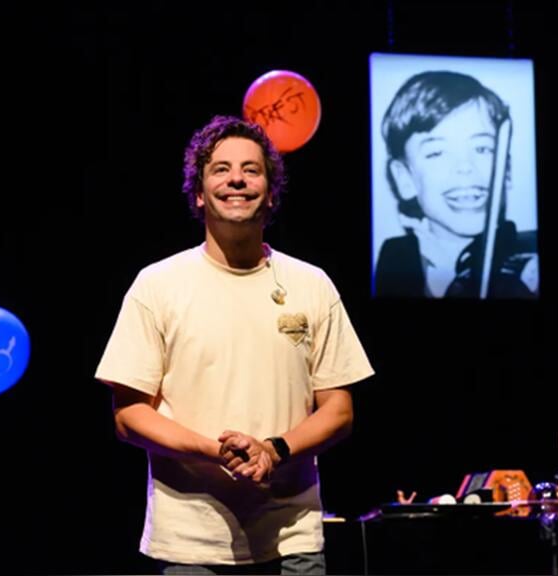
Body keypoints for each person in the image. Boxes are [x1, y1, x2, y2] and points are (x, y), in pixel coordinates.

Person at [95, 115, 374, 575]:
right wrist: (214, 451)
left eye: (251, 168)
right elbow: (129, 415)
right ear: (200, 194)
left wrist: (273, 449)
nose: (237, 179)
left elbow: (339, 410)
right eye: (221, 169)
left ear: (271, 192)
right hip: (189, 542)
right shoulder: (158, 285)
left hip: (293, 539)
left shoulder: (312, 284)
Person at [374, 70, 539, 299]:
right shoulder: (395, 258)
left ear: (506, 168)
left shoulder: (531, 265)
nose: (465, 166)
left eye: (482, 149)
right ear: (405, 179)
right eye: (437, 153)